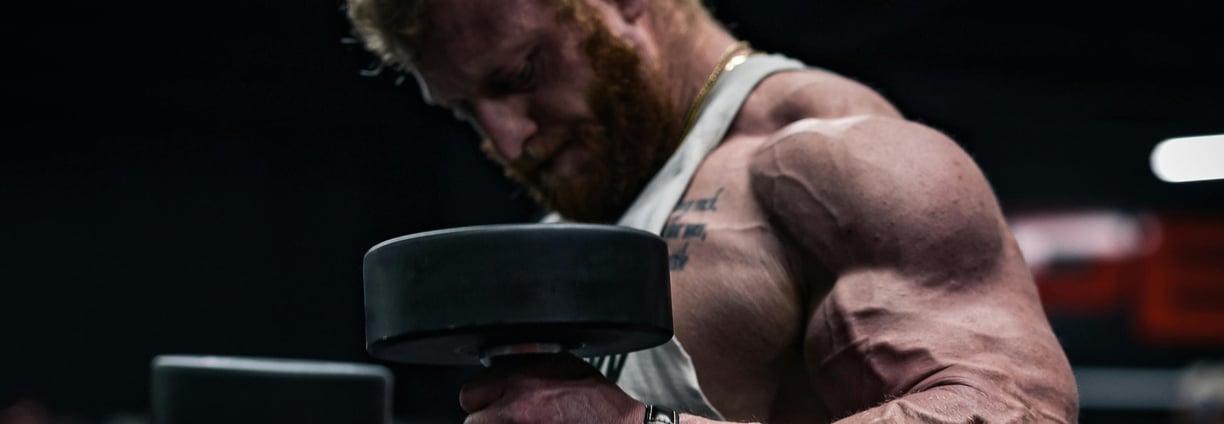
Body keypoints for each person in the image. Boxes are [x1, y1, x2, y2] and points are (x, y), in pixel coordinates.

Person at [345, 0, 1079, 422]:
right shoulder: (581, 222)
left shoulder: (831, 158)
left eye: (520, 74)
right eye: (468, 112)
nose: (508, 137)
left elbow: (1025, 415)